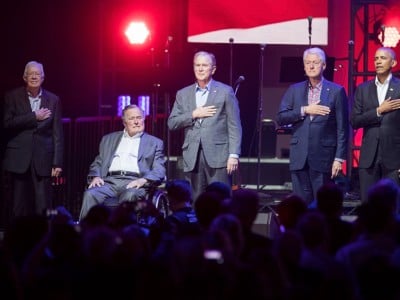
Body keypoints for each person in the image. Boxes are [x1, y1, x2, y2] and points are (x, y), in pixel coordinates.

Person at [277, 47, 349, 205]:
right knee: (301, 205)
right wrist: (305, 110)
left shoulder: (336, 91)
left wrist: (339, 158)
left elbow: (343, 128)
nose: (311, 66)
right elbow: (281, 118)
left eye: (315, 62)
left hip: (324, 157)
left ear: (324, 66)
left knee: (323, 205)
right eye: (307, 63)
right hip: (299, 156)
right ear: (304, 66)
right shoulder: (294, 90)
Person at [168, 51, 242, 202]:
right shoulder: (183, 94)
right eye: (197, 65)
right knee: (195, 201)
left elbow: (234, 125)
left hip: (218, 154)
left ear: (213, 69)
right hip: (192, 155)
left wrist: (234, 155)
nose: (200, 69)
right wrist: (194, 114)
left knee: (220, 201)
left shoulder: (225, 91)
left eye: (205, 65)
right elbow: (172, 123)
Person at [79, 104, 166, 220]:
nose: (136, 122)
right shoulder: (108, 139)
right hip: (109, 182)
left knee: (130, 195)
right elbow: (98, 162)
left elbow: (159, 169)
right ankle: (85, 234)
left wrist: (143, 180)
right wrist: (96, 176)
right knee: (91, 193)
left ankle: (122, 233)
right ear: (124, 123)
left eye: (139, 117)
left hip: (134, 182)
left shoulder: (155, 143)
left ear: (144, 119)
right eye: (132, 118)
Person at [3, 61, 64, 218]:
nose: (34, 77)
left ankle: (44, 239)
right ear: (25, 77)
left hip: (43, 158)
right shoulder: (12, 97)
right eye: (31, 74)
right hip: (19, 158)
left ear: (43, 77)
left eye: (37, 74)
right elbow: (7, 123)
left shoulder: (53, 100)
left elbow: (57, 133)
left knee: (43, 206)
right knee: (18, 205)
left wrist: (57, 162)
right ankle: (17, 239)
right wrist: (33, 116)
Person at [350, 46, 400, 203]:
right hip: (368, 157)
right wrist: (379, 111)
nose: (378, 61)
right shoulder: (363, 89)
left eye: (383, 58)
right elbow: (355, 121)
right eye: (376, 58)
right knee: (368, 206)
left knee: (393, 207)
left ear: (393, 62)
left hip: (394, 158)